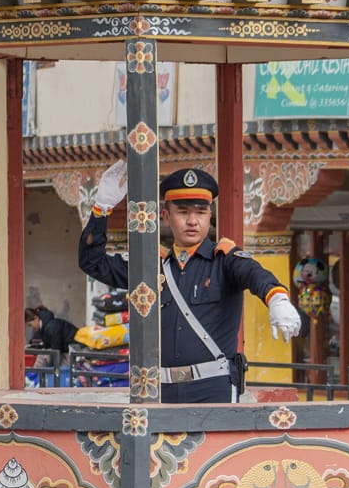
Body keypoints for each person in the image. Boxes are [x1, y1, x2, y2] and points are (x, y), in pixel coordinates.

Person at [78, 161, 301, 403]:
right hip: (160, 390)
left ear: (209, 215)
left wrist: (276, 297)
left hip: (213, 388)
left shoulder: (223, 260)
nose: (193, 220)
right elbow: (92, 263)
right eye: (183, 212)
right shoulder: (151, 267)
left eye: (200, 212)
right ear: (166, 215)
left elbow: (254, 274)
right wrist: (102, 209)